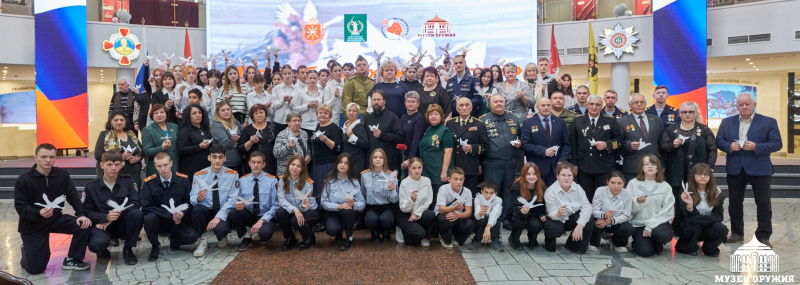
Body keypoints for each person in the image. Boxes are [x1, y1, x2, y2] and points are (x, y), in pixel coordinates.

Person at [716, 92, 781, 247]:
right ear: (736, 106)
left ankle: (763, 236)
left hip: (760, 168)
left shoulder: (768, 122)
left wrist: (756, 146)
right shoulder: (727, 122)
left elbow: (777, 144)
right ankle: (737, 233)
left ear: (754, 105)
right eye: (740, 104)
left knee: (763, 204)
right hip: (735, 168)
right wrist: (729, 146)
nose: (744, 107)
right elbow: (719, 140)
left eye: (747, 104)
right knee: (735, 203)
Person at [15, 143, 92, 274]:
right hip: (33, 225)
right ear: (35, 158)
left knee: (84, 224)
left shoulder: (62, 174)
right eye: (44, 157)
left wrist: (81, 214)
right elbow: (21, 207)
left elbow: (72, 195)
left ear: (55, 158)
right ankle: (27, 255)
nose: (48, 160)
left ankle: (73, 259)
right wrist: (38, 212)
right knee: (36, 269)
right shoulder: (24, 180)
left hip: (55, 219)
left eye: (51, 157)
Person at [83, 150, 144, 265]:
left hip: (121, 223)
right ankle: (102, 250)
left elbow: (135, 202)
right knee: (97, 245)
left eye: (117, 164)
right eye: (109, 164)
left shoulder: (128, 181)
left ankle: (128, 249)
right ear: (102, 165)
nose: (113, 168)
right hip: (101, 225)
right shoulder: (91, 187)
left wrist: (114, 216)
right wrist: (105, 217)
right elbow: (87, 211)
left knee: (137, 214)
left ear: (121, 165)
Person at [140, 152, 198, 261]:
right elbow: (146, 207)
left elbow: (189, 203)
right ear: (155, 166)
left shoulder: (183, 180)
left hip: (177, 221)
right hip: (159, 221)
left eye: (165, 165)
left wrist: (182, 214)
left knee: (192, 237)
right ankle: (155, 246)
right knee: (149, 218)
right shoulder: (149, 183)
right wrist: (168, 214)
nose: (163, 169)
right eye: (159, 166)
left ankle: (174, 240)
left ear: (171, 163)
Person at [662, 101, 717, 214]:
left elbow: (712, 149)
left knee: (697, 199)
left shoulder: (704, 130)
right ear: (680, 114)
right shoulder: (671, 129)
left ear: (696, 113)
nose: (687, 114)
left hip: (698, 171)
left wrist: (708, 169)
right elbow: (663, 146)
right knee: (677, 200)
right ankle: (678, 226)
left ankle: (696, 223)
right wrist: (673, 145)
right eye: (684, 112)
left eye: (691, 112)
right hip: (675, 172)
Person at [569, 95, 623, 201]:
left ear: (601, 106)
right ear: (587, 105)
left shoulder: (610, 120)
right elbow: (573, 144)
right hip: (584, 166)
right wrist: (574, 164)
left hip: (604, 166)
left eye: (597, 104)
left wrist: (607, 145)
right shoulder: (578, 120)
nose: (594, 107)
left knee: (604, 197)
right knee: (586, 197)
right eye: (591, 104)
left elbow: (620, 142)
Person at [190, 145, 240, 257]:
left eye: (220, 157)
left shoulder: (232, 175)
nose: (217, 160)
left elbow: (233, 199)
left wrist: (218, 217)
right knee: (197, 210)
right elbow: (192, 198)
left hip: (223, 211)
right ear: (209, 158)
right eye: (214, 157)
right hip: (206, 210)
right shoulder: (199, 176)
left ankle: (222, 235)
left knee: (221, 231)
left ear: (225, 158)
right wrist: (198, 198)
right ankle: (202, 240)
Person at [480, 94, 522, 226]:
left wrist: (520, 143)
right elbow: (480, 142)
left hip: (510, 162)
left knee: (507, 192)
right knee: (491, 192)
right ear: (490, 105)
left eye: (501, 102)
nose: (499, 104)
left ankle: (505, 218)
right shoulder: (483, 120)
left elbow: (520, 136)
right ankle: (491, 220)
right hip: (491, 162)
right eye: (496, 102)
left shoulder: (513, 118)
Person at [229, 152, 280, 251]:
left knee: (265, 235)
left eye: (259, 162)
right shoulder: (242, 181)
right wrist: (237, 204)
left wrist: (261, 221)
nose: (256, 165)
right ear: (249, 163)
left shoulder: (272, 181)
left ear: (263, 164)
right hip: (249, 214)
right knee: (233, 211)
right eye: (253, 162)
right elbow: (234, 199)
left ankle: (264, 234)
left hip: (265, 216)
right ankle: (246, 237)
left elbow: (276, 205)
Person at [674, 163, 728, 256]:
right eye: (699, 174)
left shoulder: (717, 192)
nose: (703, 177)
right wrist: (690, 205)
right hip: (688, 226)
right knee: (694, 226)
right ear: (693, 175)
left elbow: (718, 216)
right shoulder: (686, 190)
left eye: (706, 174)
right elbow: (685, 215)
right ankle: (686, 246)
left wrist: (697, 219)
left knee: (721, 228)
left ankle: (709, 248)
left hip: (704, 225)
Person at [628, 155, 675, 257]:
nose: (650, 167)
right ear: (642, 167)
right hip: (639, 224)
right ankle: (640, 242)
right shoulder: (633, 183)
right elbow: (627, 208)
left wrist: (650, 226)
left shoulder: (665, 186)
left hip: (658, 224)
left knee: (663, 235)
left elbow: (667, 211)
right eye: (647, 164)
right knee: (646, 252)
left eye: (653, 164)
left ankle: (656, 242)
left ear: (658, 168)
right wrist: (637, 201)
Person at [543, 162, 594, 254]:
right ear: (557, 176)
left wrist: (580, 225)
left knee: (588, 219)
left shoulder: (578, 188)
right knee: (554, 230)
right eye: (563, 175)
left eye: (569, 175)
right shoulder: (550, 191)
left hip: (570, 218)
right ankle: (549, 240)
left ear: (573, 176)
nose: (566, 178)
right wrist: (558, 213)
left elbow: (587, 206)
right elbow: (550, 213)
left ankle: (574, 245)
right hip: (555, 219)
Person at [521, 97, 571, 186]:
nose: (546, 108)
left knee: (553, 197)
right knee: (538, 196)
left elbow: (566, 144)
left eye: (548, 105)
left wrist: (562, 160)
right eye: (543, 105)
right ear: (537, 107)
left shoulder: (560, 122)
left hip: (556, 167)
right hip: (536, 167)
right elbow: (525, 144)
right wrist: (544, 151)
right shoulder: (528, 123)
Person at [320, 153, 364, 251]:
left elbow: (362, 204)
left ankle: (349, 238)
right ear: (336, 164)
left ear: (350, 167)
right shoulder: (329, 181)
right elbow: (323, 202)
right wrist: (339, 206)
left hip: (348, 213)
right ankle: (338, 234)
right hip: (333, 212)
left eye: (346, 163)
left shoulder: (354, 182)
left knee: (348, 211)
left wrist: (353, 204)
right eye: (340, 162)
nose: (343, 165)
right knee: (333, 230)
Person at [276, 155, 320, 251]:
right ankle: (290, 238)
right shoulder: (282, 180)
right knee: (280, 212)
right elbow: (281, 200)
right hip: (293, 210)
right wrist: (295, 209)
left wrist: (302, 207)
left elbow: (307, 204)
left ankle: (308, 238)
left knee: (295, 220)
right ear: (288, 165)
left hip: (309, 210)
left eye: (298, 166)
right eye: (293, 164)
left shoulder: (308, 183)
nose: (295, 168)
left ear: (302, 169)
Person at [446, 97, 489, 192]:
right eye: (461, 105)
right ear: (457, 109)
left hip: (470, 166)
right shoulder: (450, 123)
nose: (464, 108)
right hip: (454, 166)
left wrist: (472, 148)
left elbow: (485, 146)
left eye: (467, 105)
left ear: (471, 108)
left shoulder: (478, 124)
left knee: (469, 196)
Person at [620, 93, 664, 183]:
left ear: (646, 104)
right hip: (633, 167)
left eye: (642, 102)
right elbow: (618, 143)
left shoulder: (657, 120)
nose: (639, 104)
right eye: (636, 102)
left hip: (654, 166)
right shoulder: (621, 121)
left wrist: (662, 164)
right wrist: (629, 145)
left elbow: (662, 144)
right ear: (630, 105)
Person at [94, 109, 143, 186]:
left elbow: (141, 151)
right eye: (116, 120)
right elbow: (98, 154)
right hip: (113, 175)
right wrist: (120, 157)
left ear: (125, 121)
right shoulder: (104, 134)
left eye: (122, 120)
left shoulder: (132, 134)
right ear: (111, 121)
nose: (119, 122)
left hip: (133, 175)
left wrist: (137, 158)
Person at [589, 171, 634, 253]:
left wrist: (610, 221)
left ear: (623, 183)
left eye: (619, 183)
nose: (616, 186)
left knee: (628, 227)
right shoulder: (600, 191)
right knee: (593, 221)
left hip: (617, 222)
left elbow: (626, 215)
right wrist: (604, 215)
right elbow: (594, 211)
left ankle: (617, 243)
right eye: (613, 183)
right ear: (607, 182)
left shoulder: (627, 194)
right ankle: (594, 243)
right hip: (601, 221)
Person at [361, 149, 399, 243]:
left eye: (380, 157)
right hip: (371, 207)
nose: (378, 159)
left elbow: (394, 200)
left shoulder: (392, 176)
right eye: (375, 157)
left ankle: (387, 232)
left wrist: (391, 190)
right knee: (371, 220)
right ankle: (374, 233)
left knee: (385, 220)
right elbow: (364, 193)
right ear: (371, 160)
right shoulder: (364, 175)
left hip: (386, 207)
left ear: (384, 160)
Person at [507, 163, 546, 251]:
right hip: (517, 214)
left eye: (534, 174)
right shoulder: (516, 186)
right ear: (524, 175)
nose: (532, 177)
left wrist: (542, 215)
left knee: (535, 224)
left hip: (533, 214)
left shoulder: (542, 187)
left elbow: (542, 206)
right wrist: (521, 212)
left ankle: (532, 239)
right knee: (519, 222)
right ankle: (514, 239)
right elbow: (513, 206)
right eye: (528, 174)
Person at [419, 104, 453, 207]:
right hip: (427, 171)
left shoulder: (444, 130)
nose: (433, 116)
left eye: (436, 114)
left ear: (441, 116)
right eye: (430, 114)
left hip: (438, 172)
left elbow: (448, 151)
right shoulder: (429, 129)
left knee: (437, 201)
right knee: (428, 199)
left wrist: (444, 171)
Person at [309, 105, 343, 206]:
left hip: (327, 165)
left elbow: (338, 148)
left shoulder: (333, 127)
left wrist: (326, 140)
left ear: (330, 115)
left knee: (325, 191)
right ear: (317, 114)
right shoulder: (317, 126)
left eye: (325, 113)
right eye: (320, 113)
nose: (322, 115)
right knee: (317, 191)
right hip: (316, 166)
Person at [396, 158, 435, 246]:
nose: (417, 170)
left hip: (419, 212)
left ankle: (425, 237)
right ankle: (402, 229)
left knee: (430, 214)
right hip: (406, 214)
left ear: (422, 167)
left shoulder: (427, 181)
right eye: (414, 168)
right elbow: (403, 207)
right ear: (409, 168)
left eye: (419, 167)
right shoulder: (404, 183)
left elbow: (429, 201)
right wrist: (412, 200)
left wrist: (417, 213)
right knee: (416, 237)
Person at [434, 167, 475, 249]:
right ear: (449, 179)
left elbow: (468, 212)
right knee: (446, 219)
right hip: (443, 215)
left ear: (464, 179)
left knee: (470, 224)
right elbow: (441, 210)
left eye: (461, 179)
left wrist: (458, 215)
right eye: (455, 179)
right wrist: (454, 209)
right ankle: (445, 239)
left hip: (457, 215)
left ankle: (456, 238)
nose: (458, 182)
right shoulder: (443, 189)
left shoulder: (467, 191)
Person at [364, 91, 405, 172]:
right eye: (374, 99)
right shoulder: (368, 118)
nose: (376, 102)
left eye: (379, 99)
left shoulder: (392, 117)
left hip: (388, 163)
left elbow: (399, 137)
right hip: (371, 163)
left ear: (384, 101)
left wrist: (382, 135)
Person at [239, 104, 277, 175]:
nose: (259, 115)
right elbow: (241, 149)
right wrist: (251, 142)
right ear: (252, 116)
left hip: (270, 164)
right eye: (256, 113)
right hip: (254, 165)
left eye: (261, 112)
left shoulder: (273, 127)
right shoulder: (247, 129)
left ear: (265, 114)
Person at [177, 104, 212, 181]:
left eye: (199, 113)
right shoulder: (185, 131)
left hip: (206, 166)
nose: (198, 115)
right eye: (194, 113)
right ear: (188, 116)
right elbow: (180, 149)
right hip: (190, 167)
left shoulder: (205, 129)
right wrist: (198, 147)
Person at [142, 104, 179, 176]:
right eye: (155, 113)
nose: (159, 115)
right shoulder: (147, 130)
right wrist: (161, 148)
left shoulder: (174, 126)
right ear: (152, 116)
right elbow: (146, 151)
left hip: (174, 167)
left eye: (162, 112)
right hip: (156, 169)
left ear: (166, 114)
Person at [469, 181, 505, 251]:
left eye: (492, 193)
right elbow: (477, 216)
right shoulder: (478, 198)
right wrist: (481, 213)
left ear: (496, 193)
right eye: (486, 192)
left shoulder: (498, 200)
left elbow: (495, 213)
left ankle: (495, 239)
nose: (489, 196)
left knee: (496, 218)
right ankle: (477, 238)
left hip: (492, 224)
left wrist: (487, 228)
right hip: (481, 222)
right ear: (481, 191)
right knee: (481, 218)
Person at [211, 101, 244, 171]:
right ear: (218, 113)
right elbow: (225, 143)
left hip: (238, 161)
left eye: (228, 109)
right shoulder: (217, 125)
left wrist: (239, 139)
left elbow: (245, 136)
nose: (226, 112)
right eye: (223, 110)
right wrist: (239, 142)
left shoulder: (235, 122)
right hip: (224, 164)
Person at [400, 92, 426, 175]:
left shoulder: (419, 118)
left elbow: (416, 140)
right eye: (408, 101)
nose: (410, 104)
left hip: (411, 157)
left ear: (418, 103)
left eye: (413, 101)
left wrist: (410, 159)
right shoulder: (403, 117)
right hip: (402, 154)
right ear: (405, 103)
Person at [292, 70, 324, 137]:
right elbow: (294, 109)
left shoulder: (322, 92)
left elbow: (326, 108)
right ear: (307, 78)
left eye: (314, 78)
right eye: (310, 78)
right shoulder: (301, 92)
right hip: (305, 125)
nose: (312, 80)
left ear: (318, 78)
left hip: (319, 124)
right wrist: (307, 106)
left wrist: (319, 106)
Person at [342, 103, 370, 173]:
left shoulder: (359, 126)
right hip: (346, 162)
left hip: (358, 163)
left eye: (354, 111)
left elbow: (366, 144)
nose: (351, 113)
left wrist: (352, 137)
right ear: (346, 112)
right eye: (349, 110)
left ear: (358, 113)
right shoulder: (344, 126)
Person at [272, 65, 297, 134]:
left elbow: (298, 108)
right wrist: (283, 100)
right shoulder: (276, 89)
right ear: (282, 74)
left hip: (293, 121)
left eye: (289, 73)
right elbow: (273, 105)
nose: (287, 76)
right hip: (279, 120)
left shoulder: (297, 90)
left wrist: (290, 102)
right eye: (285, 74)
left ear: (292, 73)